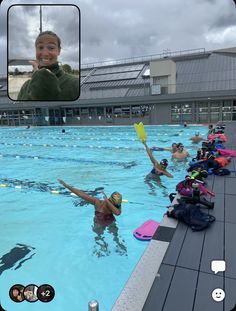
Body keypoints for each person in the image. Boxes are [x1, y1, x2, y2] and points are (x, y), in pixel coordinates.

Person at [57, 179, 127, 257]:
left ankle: (105, 247)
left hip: (99, 222)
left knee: (100, 236)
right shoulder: (99, 202)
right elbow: (80, 194)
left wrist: (107, 201)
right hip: (107, 221)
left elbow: (117, 213)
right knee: (113, 235)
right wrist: (66, 185)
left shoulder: (99, 202)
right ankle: (115, 245)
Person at [17, 31, 79, 101]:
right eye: (40, 47)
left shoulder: (75, 84)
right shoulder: (25, 86)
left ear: (59, 51)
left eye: (51, 48)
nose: (45, 53)